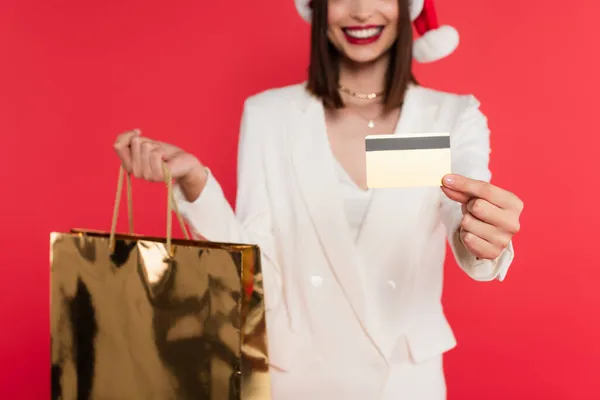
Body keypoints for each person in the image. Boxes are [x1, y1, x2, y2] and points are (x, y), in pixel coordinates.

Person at [113, 0, 524, 398]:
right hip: (299, 380)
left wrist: (483, 231)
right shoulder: (269, 114)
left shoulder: (453, 115)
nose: (362, 10)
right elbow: (256, 266)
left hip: (404, 382)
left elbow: (465, 211)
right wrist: (195, 183)